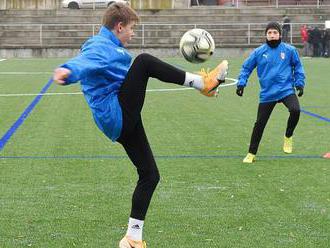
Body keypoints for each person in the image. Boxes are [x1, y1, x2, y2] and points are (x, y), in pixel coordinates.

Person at [52, 3, 228, 248]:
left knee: (150, 175)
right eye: (131, 28)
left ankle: (132, 238)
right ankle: (203, 83)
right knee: (144, 61)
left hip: (121, 119)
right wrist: (68, 70)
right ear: (119, 26)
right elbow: (86, 61)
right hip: (117, 114)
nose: (133, 33)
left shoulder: (113, 46)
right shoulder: (100, 45)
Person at [235, 21, 305, 163]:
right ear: (266, 35)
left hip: (286, 89)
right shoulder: (259, 52)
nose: (272, 35)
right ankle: (251, 153)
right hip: (268, 93)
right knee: (260, 124)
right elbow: (246, 68)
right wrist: (241, 83)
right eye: (269, 33)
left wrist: (299, 83)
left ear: (279, 34)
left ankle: (288, 136)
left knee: (295, 110)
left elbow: (298, 66)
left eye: (275, 32)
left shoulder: (289, 50)